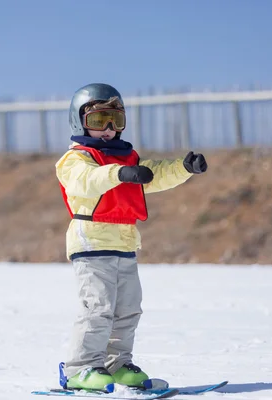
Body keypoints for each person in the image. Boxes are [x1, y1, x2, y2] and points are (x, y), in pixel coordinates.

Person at [55, 83, 207, 391]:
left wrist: (184, 168)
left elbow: (156, 174)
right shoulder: (75, 159)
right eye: (99, 121)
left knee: (128, 309)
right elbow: (86, 181)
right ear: (79, 121)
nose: (109, 129)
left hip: (123, 243)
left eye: (116, 120)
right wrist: (119, 174)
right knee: (98, 308)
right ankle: (80, 368)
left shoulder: (127, 158)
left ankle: (117, 363)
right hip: (91, 243)